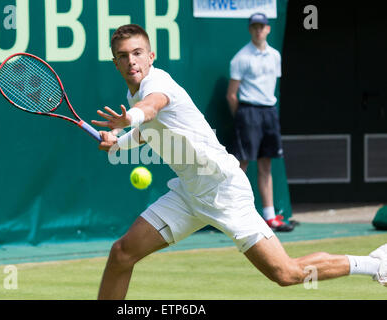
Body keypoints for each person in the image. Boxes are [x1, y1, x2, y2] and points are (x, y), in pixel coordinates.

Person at [91, 24, 386, 300]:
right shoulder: (133, 93)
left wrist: (129, 119)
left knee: (286, 273)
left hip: (223, 190)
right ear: (115, 62)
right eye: (123, 56)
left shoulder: (157, 83)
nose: (132, 61)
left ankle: (375, 265)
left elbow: (151, 110)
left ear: (151, 55)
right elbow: (149, 133)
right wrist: (120, 142)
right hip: (189, 194)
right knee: (122, 254)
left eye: (138, 53)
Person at [226, 13, 292, 231]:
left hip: (269, 112)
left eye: (261, 26)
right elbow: (231, 95)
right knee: (241, 166)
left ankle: (270, 216)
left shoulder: (275, 56)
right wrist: (243, 118)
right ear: (249, 29)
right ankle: (231, 215)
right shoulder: (240, 58)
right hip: (248, 113)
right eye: (254, 27)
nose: (258, 30)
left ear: (268, 29)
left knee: (266, 165)